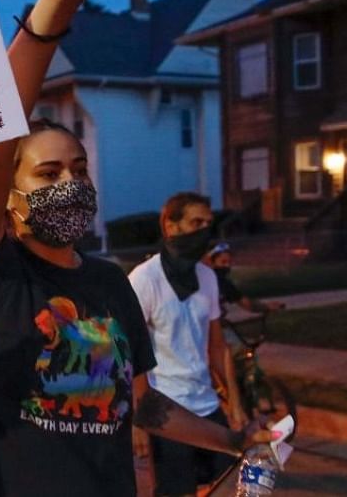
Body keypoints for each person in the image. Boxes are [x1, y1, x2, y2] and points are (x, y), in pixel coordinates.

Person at [0, 0, 273, 497]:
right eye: (48, 172)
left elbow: (142, 407)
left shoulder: (109, 282)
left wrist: (234, 439)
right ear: (9, 200)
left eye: (79, 168)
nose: (71, 181)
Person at [128, 193, 245, 496]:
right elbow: (128, 354)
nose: (204, 230)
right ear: (171, 226)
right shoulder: (144, 280)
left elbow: (217, 347)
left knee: (227, 487)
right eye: (196, 222)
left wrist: (234, 402)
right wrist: (138, 421)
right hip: (168, 414)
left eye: (208, 223)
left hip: (207, 407)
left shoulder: (207, 277)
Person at [204, 243, 284, 315]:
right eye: (223, 262)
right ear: (211, 262)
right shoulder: (220, 282)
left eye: (229, 262)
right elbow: (247, 304)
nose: (228, 266)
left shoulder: (200, 275)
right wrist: (267, 307)